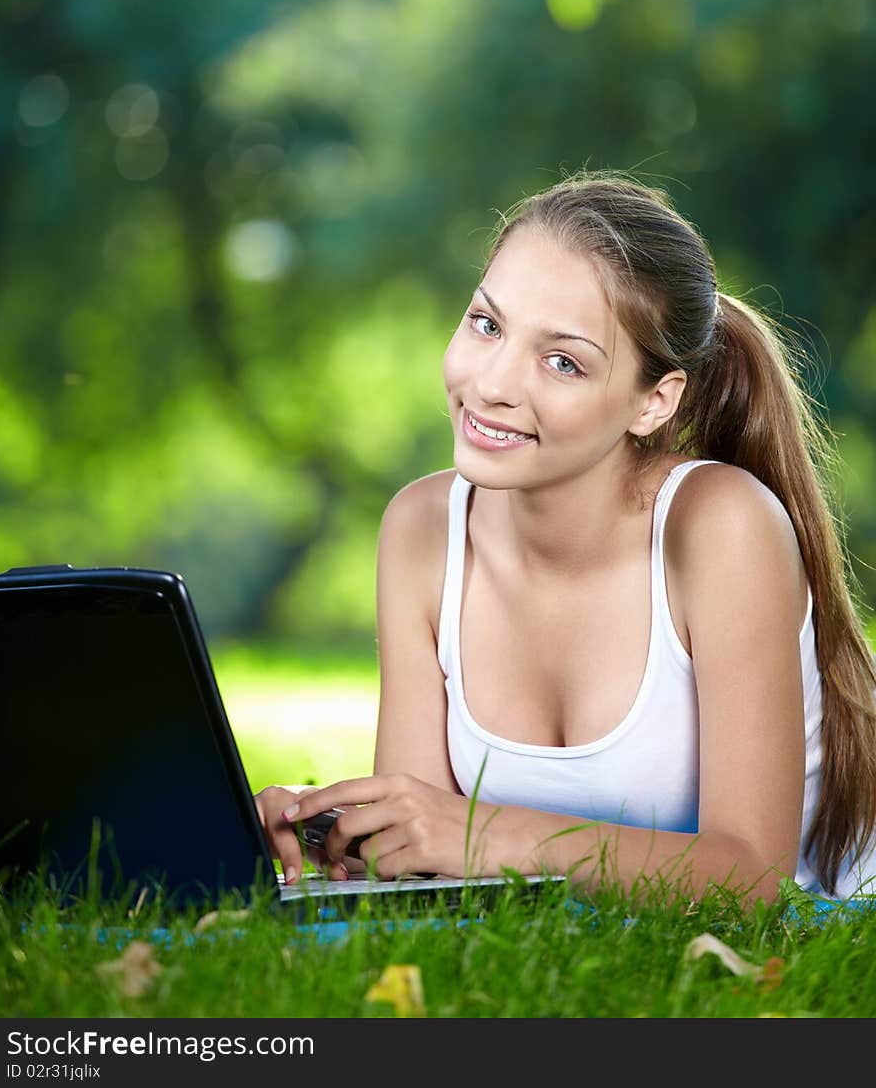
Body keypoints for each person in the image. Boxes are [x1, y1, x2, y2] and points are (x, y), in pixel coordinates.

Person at [255, 171, 876, 905]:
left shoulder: (718, 525)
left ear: (654, 402)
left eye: (563, 362)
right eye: (487, 324)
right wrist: (336, 825)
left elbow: (753, 880)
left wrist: (486, 833)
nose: (492, 384)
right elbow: (426, 854)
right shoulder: (421, 529)